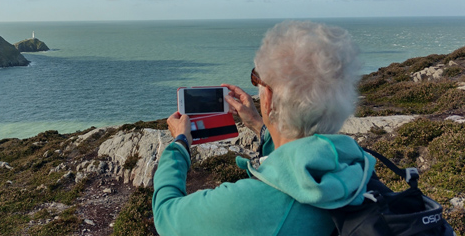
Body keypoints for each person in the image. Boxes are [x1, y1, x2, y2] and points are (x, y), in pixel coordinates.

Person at [153, 20, 376, 236]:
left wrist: (179, 144)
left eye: (256, 78)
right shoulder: (359, 168)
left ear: (268, 98)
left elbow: (166, 215)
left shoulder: (245, 204)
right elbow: (296, 155)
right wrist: (260, 125)